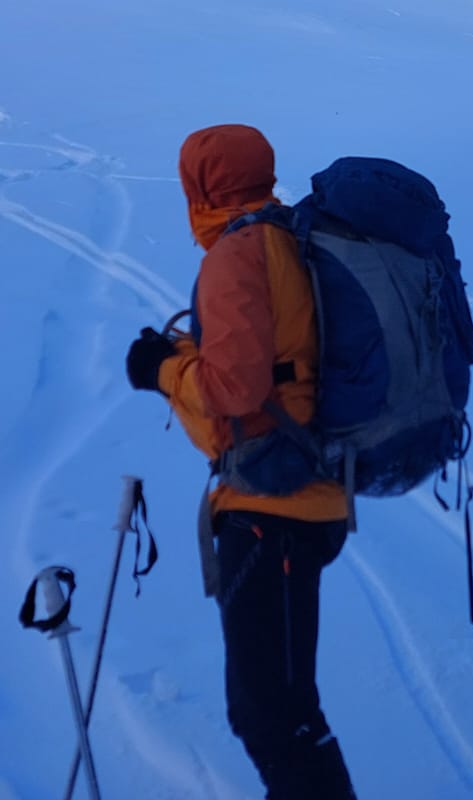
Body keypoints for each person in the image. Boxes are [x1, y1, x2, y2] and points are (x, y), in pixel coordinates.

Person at [126, 124, 357, 800]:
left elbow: (236, 389)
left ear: (198, 188)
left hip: (272, 511)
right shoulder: (286, 235)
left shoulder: (236, 254)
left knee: (275, 716)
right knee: (271, 711)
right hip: (300, 497)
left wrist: (161, 370)